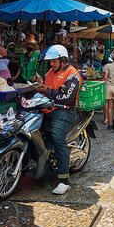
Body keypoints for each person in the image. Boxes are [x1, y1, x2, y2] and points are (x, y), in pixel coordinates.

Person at [35, 45, 82, 195]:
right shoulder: (50, 72)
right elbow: (48, 88)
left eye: (54, 61)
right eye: (50, 62)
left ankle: (63, 180)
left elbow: (67, 97)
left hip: (63, 111)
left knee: (58, 139)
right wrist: (40, 84)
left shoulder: (72, 74)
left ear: (63, 60)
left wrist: (46, 90)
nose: (51, 64)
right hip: (47, 108)